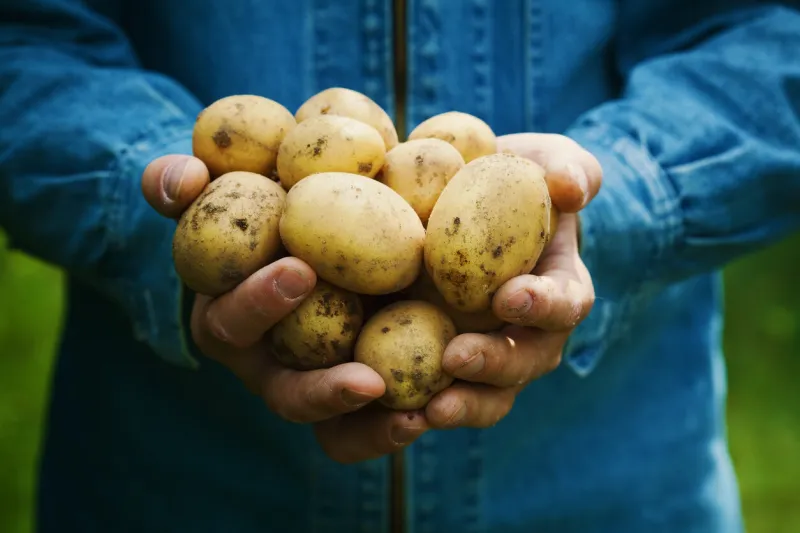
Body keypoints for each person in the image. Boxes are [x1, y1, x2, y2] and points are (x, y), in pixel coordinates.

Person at [1, 0, 799, 531]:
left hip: (613, 480)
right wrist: (156, 210)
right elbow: (25, 35)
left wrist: (612, 202)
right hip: (177, 479)